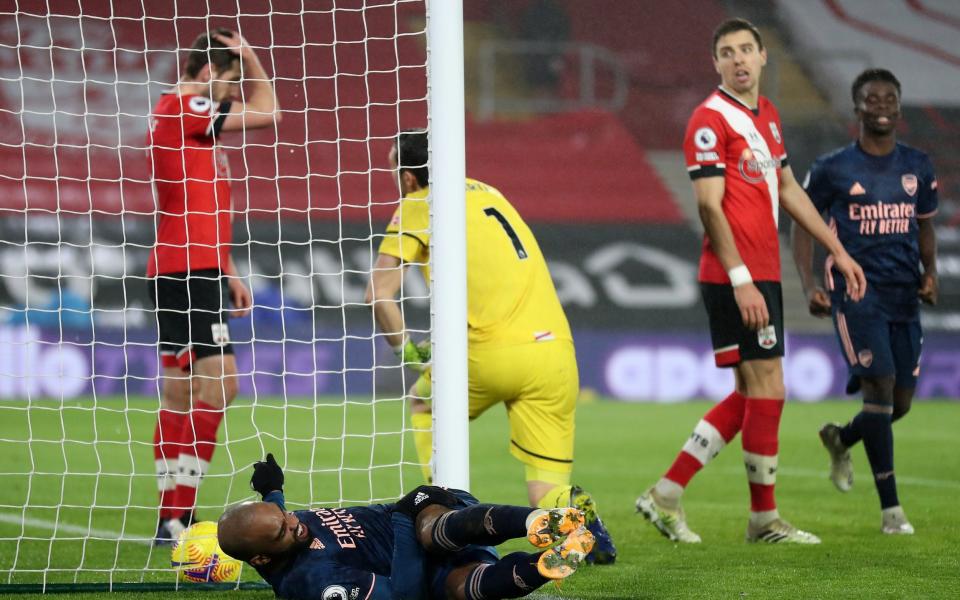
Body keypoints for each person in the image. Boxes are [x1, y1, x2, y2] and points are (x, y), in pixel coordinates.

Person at [635, 18, 867, 544]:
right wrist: (740, 279)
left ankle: (665, 494)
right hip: (734, 274)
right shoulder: (708, 119)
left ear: (764, 57)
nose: (738, 59)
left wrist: (839, 250)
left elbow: (787, 188)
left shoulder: (767, 117)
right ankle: (763, 519)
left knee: (750, 394)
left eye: (746, 49)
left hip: (761, 271)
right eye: (726, 52)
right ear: (715, 63)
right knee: (770, 387)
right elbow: (708, 207)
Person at [363, 131, 616, 563]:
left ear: (407, 178)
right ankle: (571, 516)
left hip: (490, 351)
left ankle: (443, 514)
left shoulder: (419, 202)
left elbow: (378, 293)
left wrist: (407, 352)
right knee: (543, 486)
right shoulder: (489, 191)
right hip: (555, 352)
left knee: (424, 401)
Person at [147, 27, 280, 543]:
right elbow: (271, 112)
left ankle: (172, 518)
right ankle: (178, 515)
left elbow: (198, 206)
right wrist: (251, 59)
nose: (235, 91)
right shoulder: (187, 107)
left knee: (182, 394)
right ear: (208, 75)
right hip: (187, 272)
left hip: (192, 268)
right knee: (219, 387)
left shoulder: (194, 122)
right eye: (230, 81)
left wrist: (227, 269)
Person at [791, 69, 938, 535]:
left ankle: (842, 437)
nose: (880, 105)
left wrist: (930, 273)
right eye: (870, 98)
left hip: (903, 295)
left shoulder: (918, 164)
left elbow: (925, 224)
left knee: (900, 404)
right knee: (879, 389)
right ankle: (892, 511)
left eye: (889, 98)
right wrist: (809, 280)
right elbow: (802, 221)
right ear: (856, 108)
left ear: (898, 106)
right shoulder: (834, 168)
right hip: (856, 293)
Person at [217, 454, 595, 600]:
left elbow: (273, 515)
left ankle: (537, 521)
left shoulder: (275, 529)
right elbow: (403, 597)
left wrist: (273, 488)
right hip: (415, 534)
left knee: (433, 530)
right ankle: (545, 565)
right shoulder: (312, 584)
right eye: (283, 529)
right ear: (262, 556)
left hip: (449, 513)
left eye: (286, 515)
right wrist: (400, 518)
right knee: (459, 585)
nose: (295, 523)